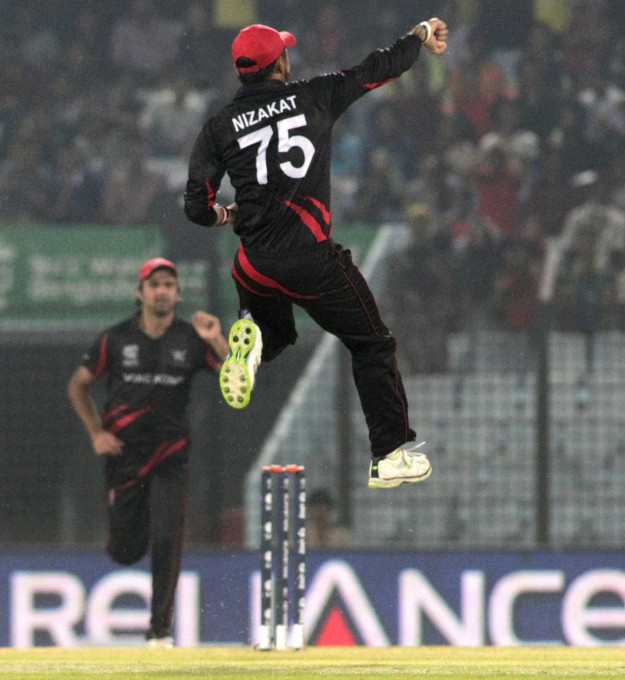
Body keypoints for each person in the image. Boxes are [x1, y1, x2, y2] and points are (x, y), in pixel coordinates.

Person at [183, 19, 449, 488]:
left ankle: (250, 338)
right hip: (311, 260)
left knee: (277, 337)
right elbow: (377, 69)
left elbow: (196, 207)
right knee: (373, 343)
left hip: (253, 264)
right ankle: (388, 455)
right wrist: (420, 35)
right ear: (279, 63)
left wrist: (227, 216)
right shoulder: (314, 95)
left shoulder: (219, 126)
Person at [67, 257, 228, 648]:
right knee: (126, 551)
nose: (162, 291)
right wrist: (96, 433)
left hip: (171, 452)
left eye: (169, 285)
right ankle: (126, 548)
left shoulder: (192, 339)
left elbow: (236, 384)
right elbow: (78, 385)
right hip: (125, 454)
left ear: (177, 294)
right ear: (140, 293)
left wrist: (218, 341)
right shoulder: (115, 339)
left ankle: (160, 632)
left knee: (166, 536)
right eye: (154, 284)